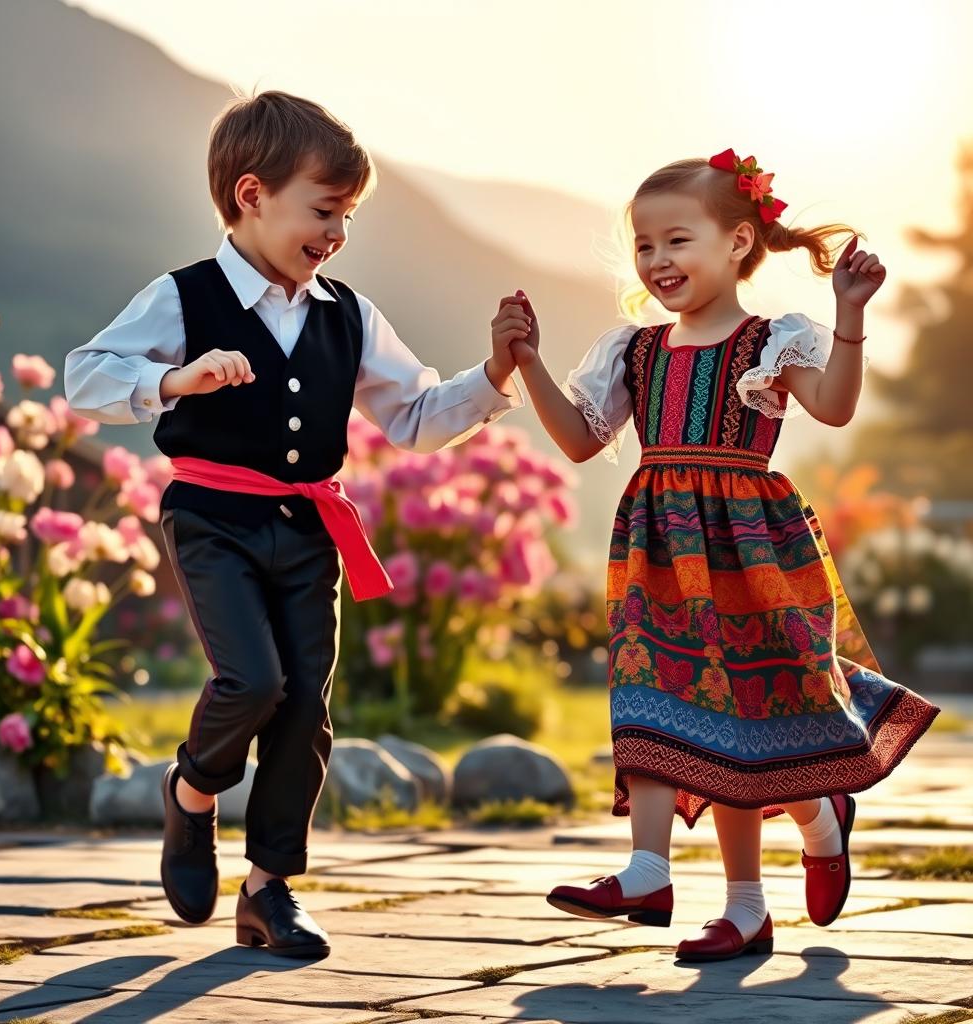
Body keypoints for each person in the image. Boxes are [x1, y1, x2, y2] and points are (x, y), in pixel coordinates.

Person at [64, 90, 525, 958]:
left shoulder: (346, 313)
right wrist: (173, 381)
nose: (338, 234)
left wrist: (493, 371)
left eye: (348, 215)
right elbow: (84, 377)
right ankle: (192, 792)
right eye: (324, 211)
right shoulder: (183, 298)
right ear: (251, 196)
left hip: (310, 530)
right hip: (213, 518)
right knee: (252, 683)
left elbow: (416, 415)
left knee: (306, 707)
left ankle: (269, 890)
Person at [502, 148, 939, 962]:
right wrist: (528, 361)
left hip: (750, 550)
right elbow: (575, 440)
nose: (657, 260)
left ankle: (786, 853)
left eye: (677, 240)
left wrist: (849, 316)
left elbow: (836, 409)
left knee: (745, 714)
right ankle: (650, 868)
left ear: (738, 243)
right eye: (644, 246)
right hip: (657, 548)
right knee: (655, 695)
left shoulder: (772, 342)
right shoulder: (633, 351)